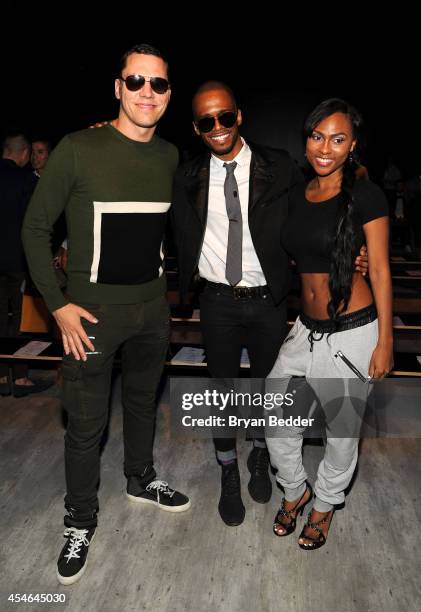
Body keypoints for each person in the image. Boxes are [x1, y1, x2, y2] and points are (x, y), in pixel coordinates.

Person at [22, 43, 190, 586]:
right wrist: (59, 306)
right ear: (117, 87)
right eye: (135, 81)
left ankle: (141, 478)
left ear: (168, 93)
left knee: (143, 403)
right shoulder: (77, 148)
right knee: (85, 425)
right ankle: (80, 519)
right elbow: (34, 230)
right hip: (89, 317)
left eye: (158, 84)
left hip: (151, 311)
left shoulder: (168, 156)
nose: (147, 92)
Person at [172, 84, 368, 527]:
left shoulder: (278, 166)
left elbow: (323, 202)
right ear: (197, 129)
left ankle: (261, 457)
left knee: (267, 393)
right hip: (217, 300)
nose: (217, 128)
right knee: (222, 394)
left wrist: (355, 247)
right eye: (207, 122)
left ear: (239, 115)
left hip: (268, 301)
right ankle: (227, 471)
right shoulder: (185, 175)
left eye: (224, 117)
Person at [266, 98, 393, 550]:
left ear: (352, 145)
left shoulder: (366, 195)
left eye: (337, 139)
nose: (325, 148)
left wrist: (385, 342)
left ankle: (324, 505)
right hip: (306, 327)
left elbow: (378, 268)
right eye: (317, 136)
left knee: (341, 433)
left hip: (353, 332)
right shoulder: (299, 194)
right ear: (306, 141)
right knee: (276, 410)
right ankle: (295, 490)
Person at [0, 131, 52, 397]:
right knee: (20, 321)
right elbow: (35, 227)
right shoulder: (24, 181)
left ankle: (0, 377)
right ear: (22, 154)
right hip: (17, 262)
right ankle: (20, 379)